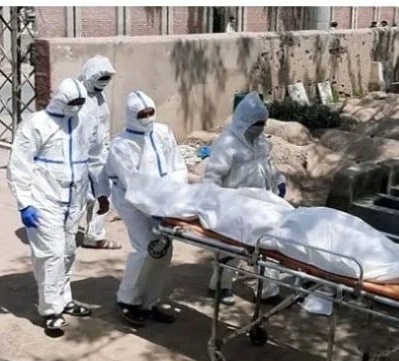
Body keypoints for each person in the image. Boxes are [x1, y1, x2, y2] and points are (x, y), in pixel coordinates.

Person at [7, 78, 109, 331]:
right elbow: (19, 165)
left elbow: (95, 157)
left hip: (75, 200)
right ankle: (50, 309)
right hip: (45, 200)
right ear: (61, 100)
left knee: (68, 252)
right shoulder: (37, 125)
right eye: (72, 102)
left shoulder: (84, 121)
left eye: (80, 102)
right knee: (50, 255)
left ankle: (65, 298)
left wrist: (101, 192)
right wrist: (25, 203)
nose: (76, 107)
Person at [105, 90, 188, 326]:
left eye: (151, 112)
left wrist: (174, 195)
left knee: (163, 252)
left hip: (166, 202)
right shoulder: (122, 145)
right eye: (142, 114)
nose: (148, 117)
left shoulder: (162, 133)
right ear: (132, 115)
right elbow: (133, 185)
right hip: (133, 203)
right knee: (146, 249)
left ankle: (149, 303)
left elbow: (177, 166)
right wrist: (157, 210)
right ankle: (127, 300)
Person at [204, 91, 286, 306]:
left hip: (262, 202)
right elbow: (213, 175)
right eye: (256, 124)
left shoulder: (259, 141)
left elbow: (267, 165)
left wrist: (279, 181)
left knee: (267, 246)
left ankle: (269, 291)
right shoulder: (228, 143)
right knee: (231, 248)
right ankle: (220, 286)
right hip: (234, 203)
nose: (259, 128)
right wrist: (214, 202)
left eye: (262, 124)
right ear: (243, 122)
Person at [78, 55, 121, 250]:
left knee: (101, 196)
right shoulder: (80, 99)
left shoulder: (99, 97)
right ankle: (67, 238)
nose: (103, 83)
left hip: (99, 155)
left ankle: (94, 235)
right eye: (100, 78)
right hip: (83, 158)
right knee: (84, 198)